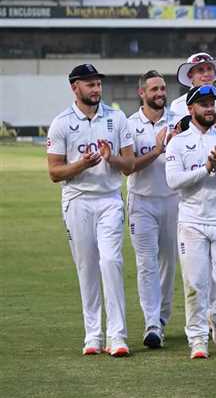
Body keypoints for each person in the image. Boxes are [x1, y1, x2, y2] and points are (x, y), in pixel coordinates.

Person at [46, 64, 135, 356]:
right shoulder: (61, 123)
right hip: (77, 201)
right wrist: (81, 165)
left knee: (111, 262)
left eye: (98, 84)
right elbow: (55, 172)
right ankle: (93, 336)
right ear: (75, 87)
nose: (96, 89)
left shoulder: (117, 118)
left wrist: (111, 160)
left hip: (109, 199)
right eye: (89, 84)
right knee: (87, 268)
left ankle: (118, 336)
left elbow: (130, 165)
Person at [165, 85, 216, 359]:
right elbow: (173, 181)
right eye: (203, 104)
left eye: (212, 104)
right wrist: (205, 169)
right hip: (191, 221)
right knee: (195, 284)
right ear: (191, 109)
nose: (210, 108)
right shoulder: (177, 143)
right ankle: (197, 338)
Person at [126, 70, 178, 349]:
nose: (160, 93)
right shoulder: (129, 124)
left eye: (162, 88)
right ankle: (152, 324)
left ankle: (162, 320)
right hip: (142, 202)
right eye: (154, 89)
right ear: (142, 93)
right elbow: (128, 166)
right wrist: (157, 150)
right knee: (146, 264)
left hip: (173, 200)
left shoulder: (178, 121)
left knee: (168, 265)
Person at [171, 52, 216, 146]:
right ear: (190, 75)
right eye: (200, 70)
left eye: (209, 69)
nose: (206, 74)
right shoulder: (178, 105)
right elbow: (174, 142)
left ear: (215, 73)